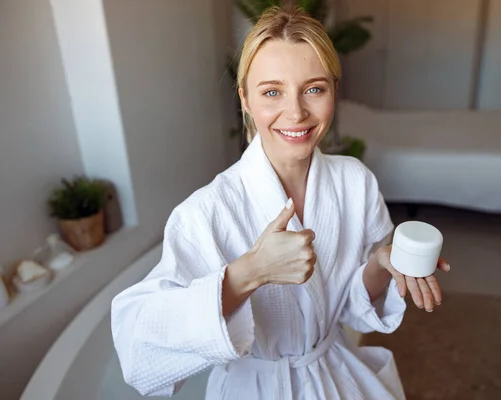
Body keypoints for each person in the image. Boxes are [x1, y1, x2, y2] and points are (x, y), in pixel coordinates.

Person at [111, 6, 450, 399]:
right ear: (246, 100)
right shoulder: (206, 213)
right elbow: (137, 348)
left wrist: (378, 266)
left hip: (333, 373)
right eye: (272, 92)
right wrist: (249, 272)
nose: (296, 112)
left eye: (314, 89)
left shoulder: (355, 182)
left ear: (333, 92)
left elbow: (353, 310)